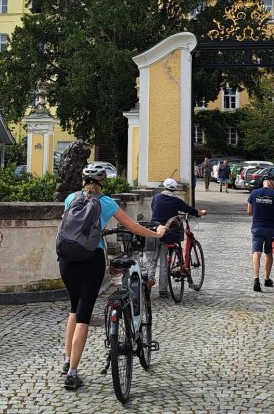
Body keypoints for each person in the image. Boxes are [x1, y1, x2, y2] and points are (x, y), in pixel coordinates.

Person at [59, 165, 168, 392]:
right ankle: (72, 374)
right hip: (92, 259)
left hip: (67, 259)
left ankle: (67, 360)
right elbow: (134, 227)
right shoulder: (106, 203)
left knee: (73, 308)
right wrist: (157, 233)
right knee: (83, 316)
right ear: (102, 184)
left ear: (83, 181)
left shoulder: (71, 198)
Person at [145, 178, 207, 298]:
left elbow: (154, 209)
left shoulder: (156, 198)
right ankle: (163, 290)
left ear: (164, 187)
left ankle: (149, 279)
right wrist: (201, 212)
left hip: (153, 230)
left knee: (151, 260)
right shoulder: (177, 201)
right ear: (174, 189)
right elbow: (191, 210)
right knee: (164, 262)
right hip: (166, 233)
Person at [246, 175, 274, 292]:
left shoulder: (254, 193)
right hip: (271, 228)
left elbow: (249, 211)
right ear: (272, 183)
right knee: (268, 253)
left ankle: (256, 279)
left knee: (256, 252)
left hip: (257, 227)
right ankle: (267, 279)